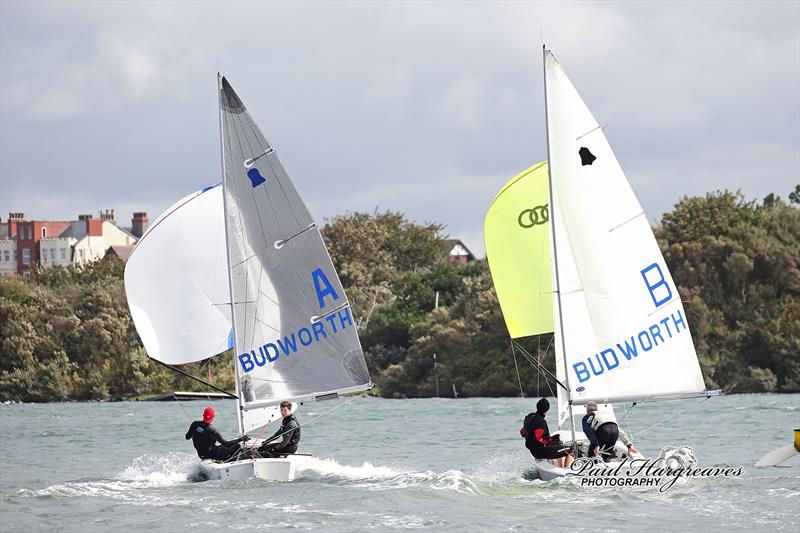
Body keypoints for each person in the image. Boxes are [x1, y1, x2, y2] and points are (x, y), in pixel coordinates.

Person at [521, 398, 573, 468]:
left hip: (533, 451)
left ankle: (561, 467)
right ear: (547, 409)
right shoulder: (541, 422)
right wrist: (549, 440)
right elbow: (539, 438)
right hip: (542, 452)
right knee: (571, 449)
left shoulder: (530, 417)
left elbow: (522, 432)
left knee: (558, 442)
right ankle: (566, 471)